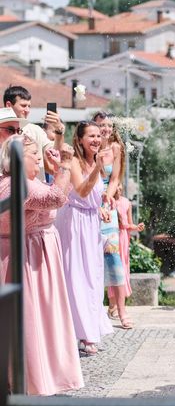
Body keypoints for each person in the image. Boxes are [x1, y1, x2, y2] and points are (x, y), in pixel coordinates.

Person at [0, 135, 84, 395]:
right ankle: (32, 379)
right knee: (32, 318)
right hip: (28, 256)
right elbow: (55, 198)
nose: (38, 156)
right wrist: (67, 164)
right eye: (33, 153)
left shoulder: (16, 182)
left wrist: (56, 169)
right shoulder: (19, 185)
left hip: (30, 253)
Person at [55, 121, 113, 355]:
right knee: (75, 275)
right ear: (79, 140)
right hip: (74, 222)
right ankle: (80, 333)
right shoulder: (77, 163)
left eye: (99, 135)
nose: (96, 140)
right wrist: (98, 169)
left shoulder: (93, 161)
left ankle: (89, 328)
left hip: (91, 222)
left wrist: (101, 207)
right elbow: (80, 191)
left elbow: (94, 196)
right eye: (91, 136)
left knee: (93, 275)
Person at [92, 113, 129, 325]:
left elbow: (115, 178)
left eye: (108, 125)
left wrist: (108, 197)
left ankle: (122, 311)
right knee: (92, 258)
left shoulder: (115, 149)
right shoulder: (88, 149)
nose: (105, 129)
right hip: (89, 203)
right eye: (100, 125)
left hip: (108, 205)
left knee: (114, 258)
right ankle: (96, 310)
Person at [3, 86, 66, 180]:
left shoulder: (35, 130)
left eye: (29, 106)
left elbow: (55, 152)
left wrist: (59, 131)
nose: (27, 110)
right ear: (9, 105)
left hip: (37, 191)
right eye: (23, 105)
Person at [113, 184, 144, 307]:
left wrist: (137, 227)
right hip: (112, 236)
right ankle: (112, 305)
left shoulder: (127, 203)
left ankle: (120, 305)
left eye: (121, 188)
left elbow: (129, 224)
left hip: (123, 237)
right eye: (116, 188)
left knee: (123, 268)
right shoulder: (107, 201)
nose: (119, 190)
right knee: (113, 268)